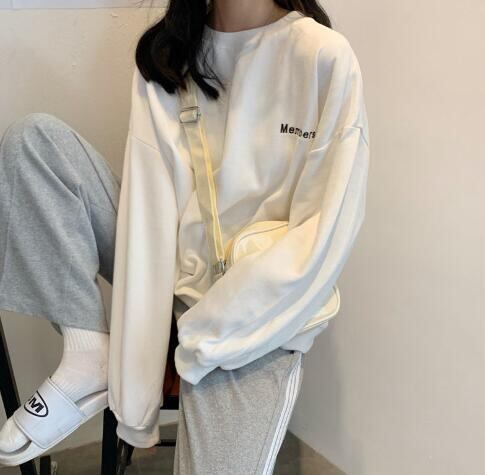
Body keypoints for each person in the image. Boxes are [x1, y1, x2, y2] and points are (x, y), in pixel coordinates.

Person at [0, 0, 370, 473]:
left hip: (260, 314)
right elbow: (148, 210)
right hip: (175, 275)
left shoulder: (323, 57)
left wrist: (198, 340)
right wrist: (137, 394)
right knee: (35, 144)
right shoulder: (166, 56)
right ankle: (88, 351)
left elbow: (320, 237)